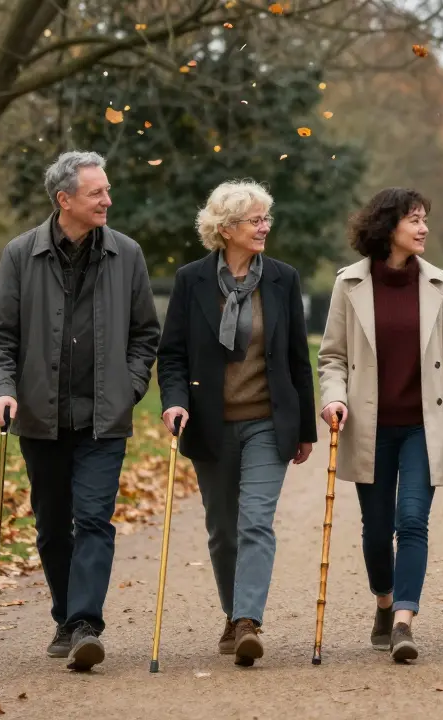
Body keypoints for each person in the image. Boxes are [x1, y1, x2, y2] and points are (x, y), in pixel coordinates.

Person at [0, 151, 160, 671]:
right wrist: (1, 389)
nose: (108, 199)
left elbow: (145, 333)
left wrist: (128, 386)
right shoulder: (20, 255)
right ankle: (65, 615)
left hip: (105, 417)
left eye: (106, 190)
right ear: (64, 200)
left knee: (94, 518)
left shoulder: (127, 254)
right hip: (40, 414)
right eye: (96, 193)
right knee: (54, 526)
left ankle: (85, 623)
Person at [157, 180, 317, 667]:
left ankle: (248, 620)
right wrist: (174, 402)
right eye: (255, 220)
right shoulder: (192, 280)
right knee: (223, 529)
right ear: (226, 229)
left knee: (255, 522)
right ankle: (233, 614)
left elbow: (296, 357)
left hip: (267, 421)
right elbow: (173, 356)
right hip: (210, 423)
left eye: (267, 219)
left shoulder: (283, 279)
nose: (265, 227)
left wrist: (305, 427)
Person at [317, 188, 443, 662]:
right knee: (376, 526)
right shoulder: (350, 285)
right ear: (388, 227)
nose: (423, 228)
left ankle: (404, 620)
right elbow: (332, 358)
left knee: (412, 521)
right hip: (370, 426)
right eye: (414, 220)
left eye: (424, 219)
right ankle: (383, 601)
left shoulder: (437, 285)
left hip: (423, 426)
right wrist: (335, 400)